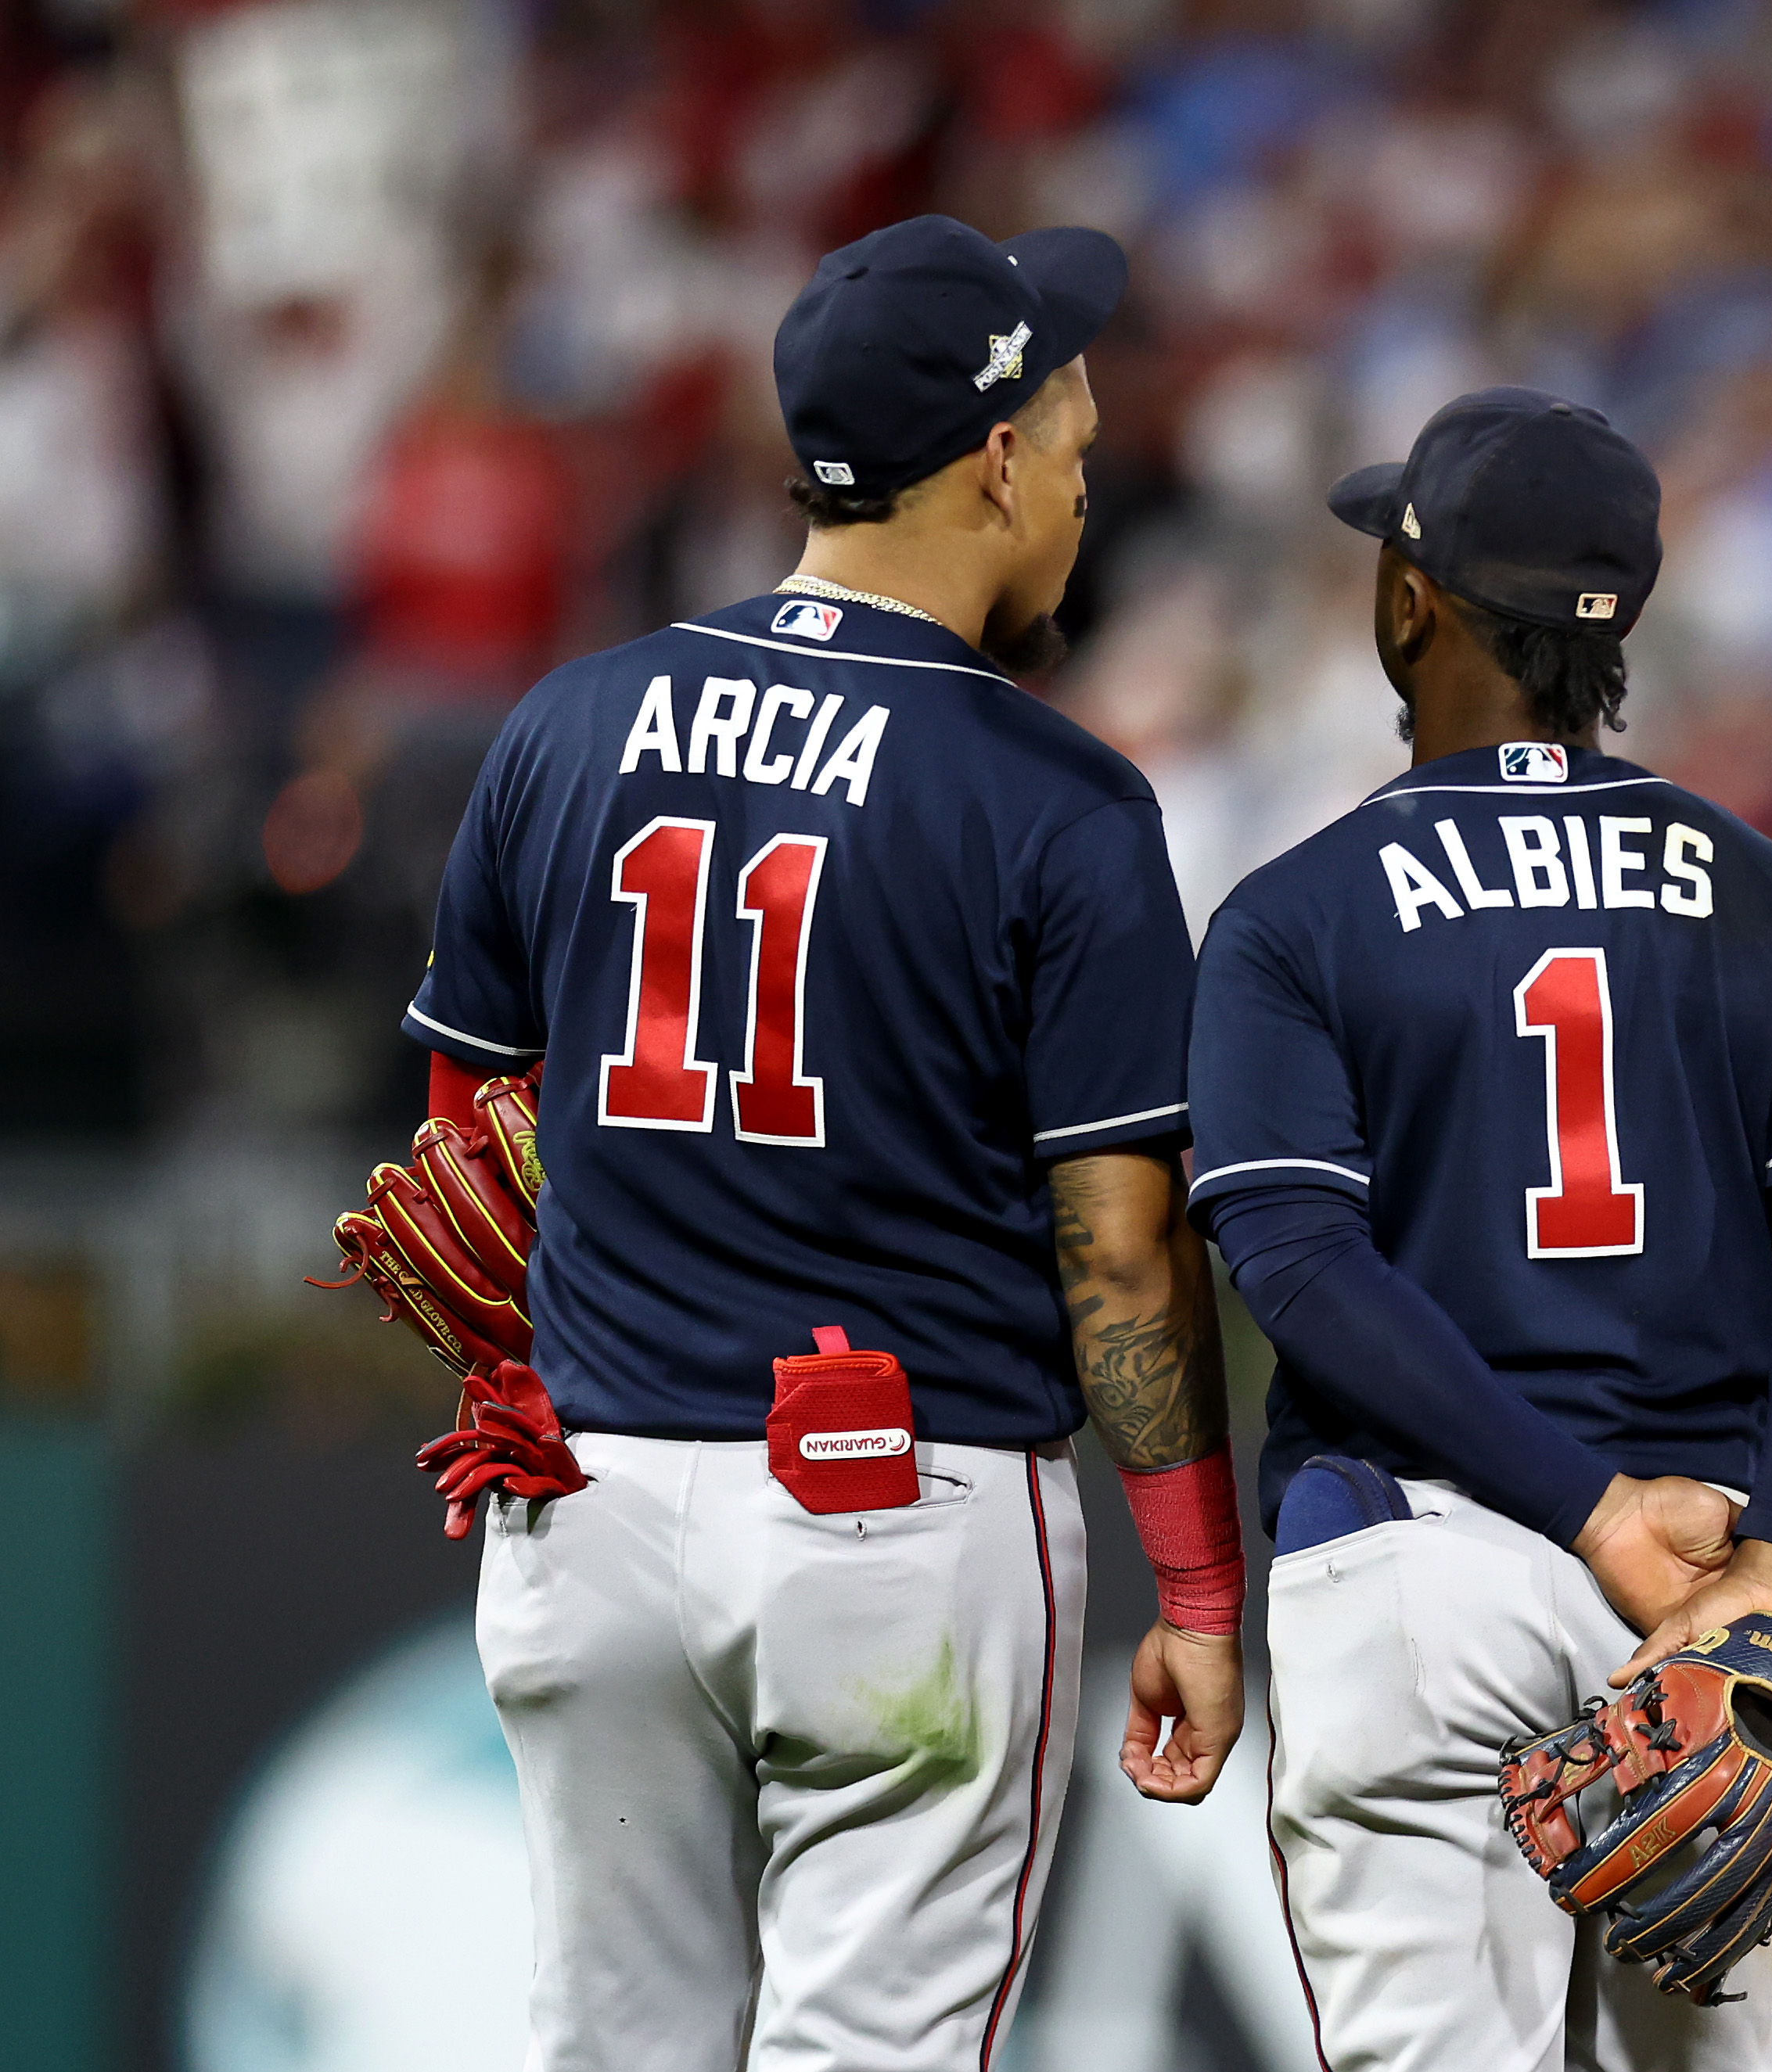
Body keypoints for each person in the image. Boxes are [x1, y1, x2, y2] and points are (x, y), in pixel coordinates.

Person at [400, 215, 1246, 2070]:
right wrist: (1194, 1575)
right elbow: (1117, 1242)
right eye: (1080, 451)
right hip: (896, 1522)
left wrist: (513, 1377)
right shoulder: (1058, 795)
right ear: (998, 457)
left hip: (588, 1513)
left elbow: (464, 1143)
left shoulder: (568, 721)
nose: (1089, 492)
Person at [1184, 386, 1772, 2071]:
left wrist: (1580, 1507)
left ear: (1410, 602)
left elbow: (1300, 1263)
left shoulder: (1291, 910)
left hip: (1421, 1542)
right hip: (1704, 1584)